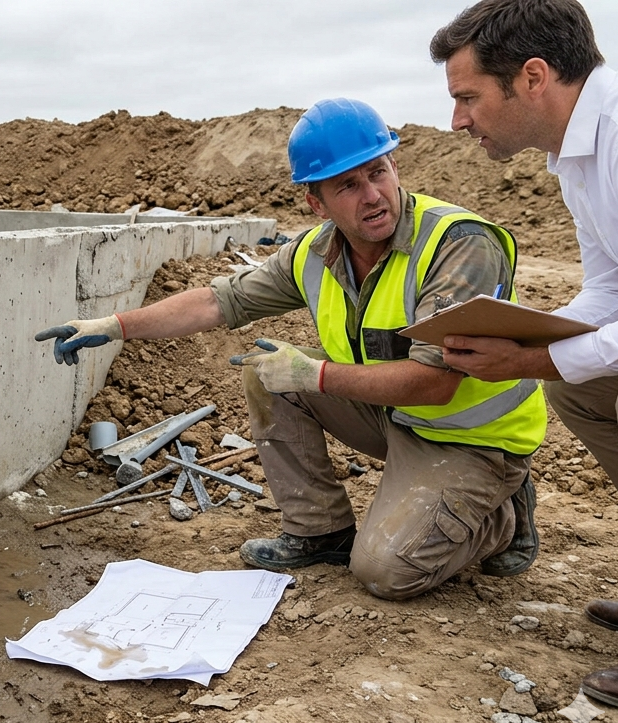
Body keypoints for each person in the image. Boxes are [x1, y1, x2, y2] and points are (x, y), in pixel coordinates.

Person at [36, 98, 547, 601]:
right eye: (348, 184)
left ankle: (502, 517)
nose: (372, 195)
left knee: (386, 572)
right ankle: (319, 530)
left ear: (395, 167)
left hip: (474, 439)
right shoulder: (315, 252)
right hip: (400, 418)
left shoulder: (458, 246)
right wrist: (116, 324)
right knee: (266, 371)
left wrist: (315, 376)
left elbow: (436, 383)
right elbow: (219, 302)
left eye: (378, 172)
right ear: (316, 203)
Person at [430, 0, 618, 711]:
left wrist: (528, 362)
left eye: (467, 98)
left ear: (533, 78)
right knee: (586, 387)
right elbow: (616, 288)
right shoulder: (577, 155)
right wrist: (528, 337)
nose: (458, 121)